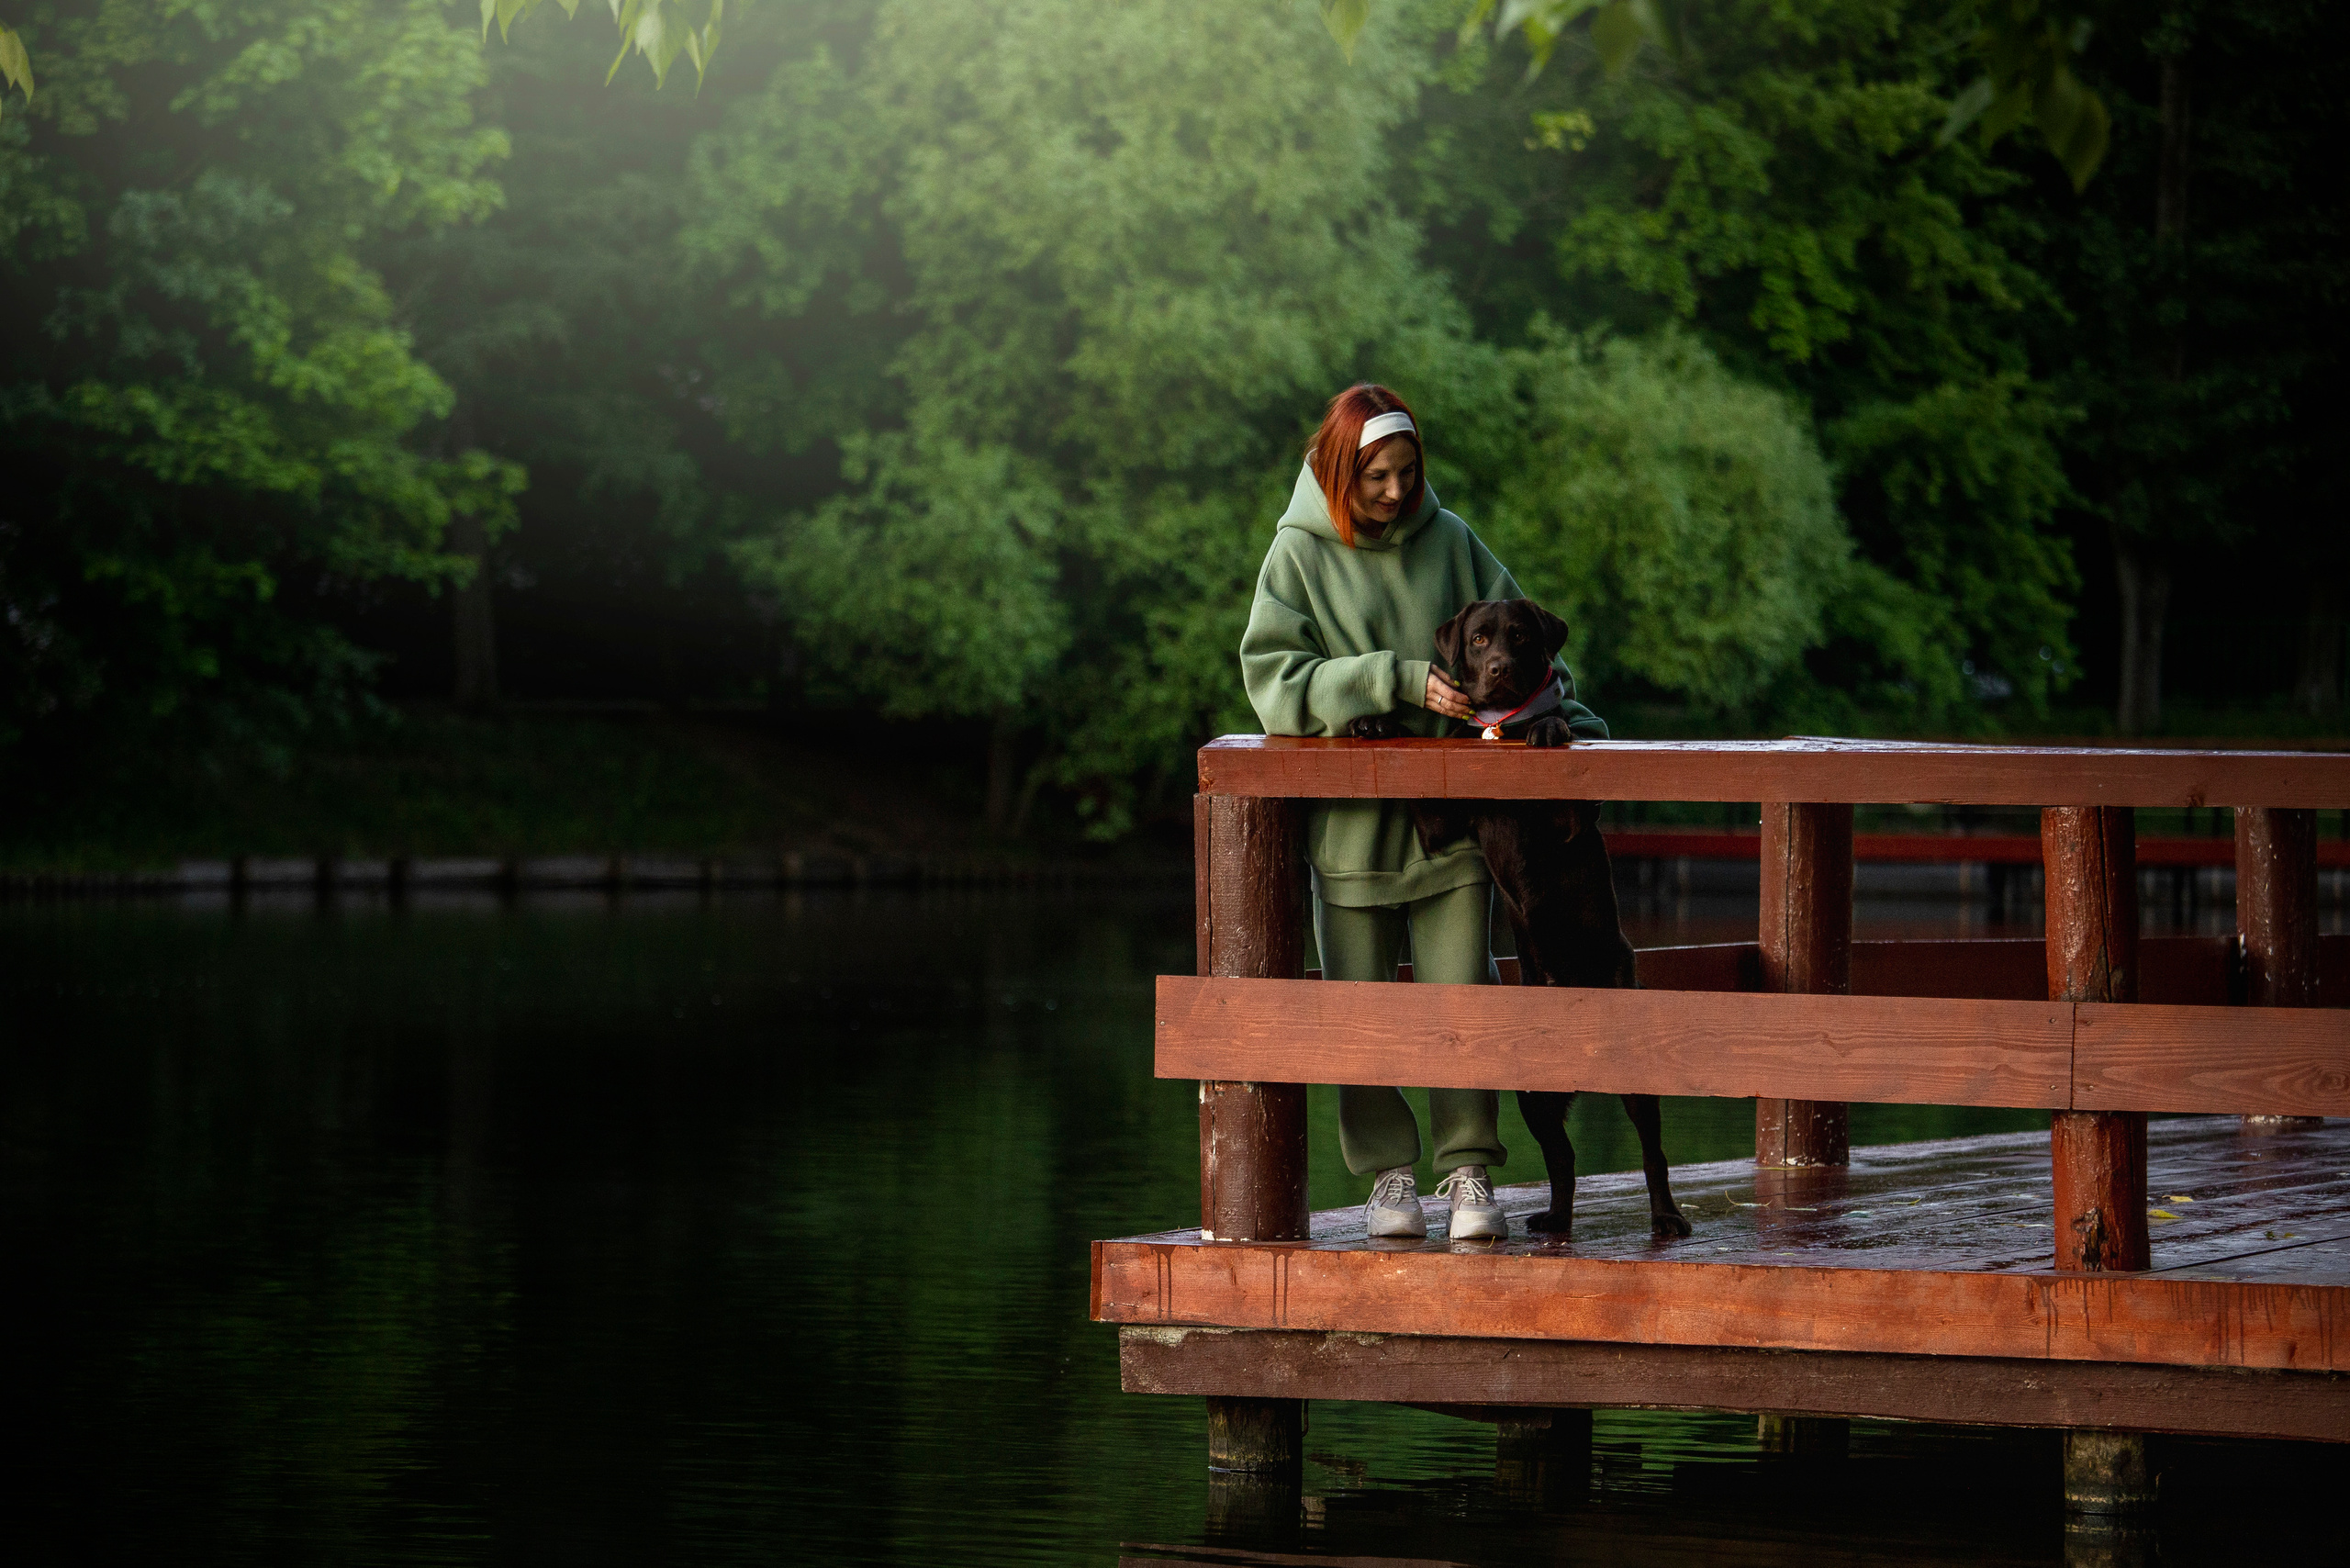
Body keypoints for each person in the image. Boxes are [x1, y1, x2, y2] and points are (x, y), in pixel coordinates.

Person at [1237, 383, 1607, 1241]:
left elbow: (1532, 648)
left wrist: (1564, 723)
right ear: (1338, 471)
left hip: (1460, 824)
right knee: (1359, 1007)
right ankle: (1389, 1177)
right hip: (1352, 831)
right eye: (1376, 478)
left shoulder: (1453, 540)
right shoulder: (1295, 557)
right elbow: (1273, 686)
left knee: (1461, 998)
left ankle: (1469, 1172)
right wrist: (1391, 679)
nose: (1397, 493)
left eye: (1407, 474)